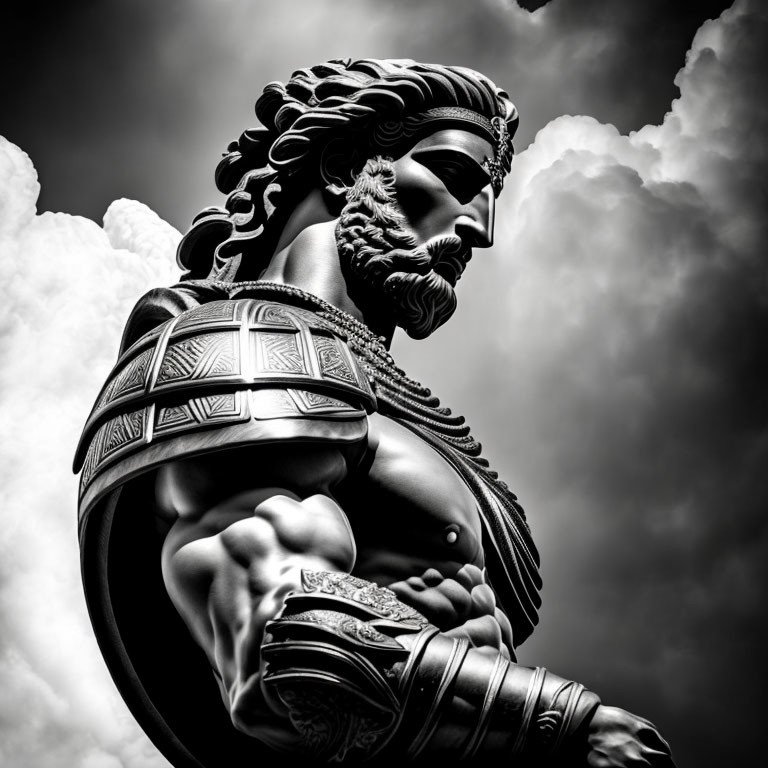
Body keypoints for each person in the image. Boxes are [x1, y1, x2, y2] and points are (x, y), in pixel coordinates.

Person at [74, 59, 675, 767]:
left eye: (490, 198)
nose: (479, 230)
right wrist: (567, 726)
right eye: (454, 176)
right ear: (342, 166)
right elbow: (295, 650)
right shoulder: (239, 350)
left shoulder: (374, 392)